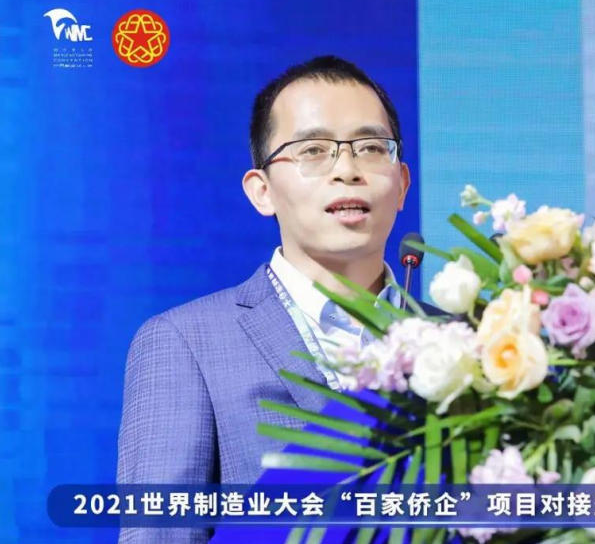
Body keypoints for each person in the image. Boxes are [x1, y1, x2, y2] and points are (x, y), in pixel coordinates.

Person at [116, 55, 421, 543]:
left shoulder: (472, 348)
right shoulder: (185, 343)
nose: (347, 169)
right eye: (313, 150)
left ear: (402, 184)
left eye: (369, 148)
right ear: (262, 191)